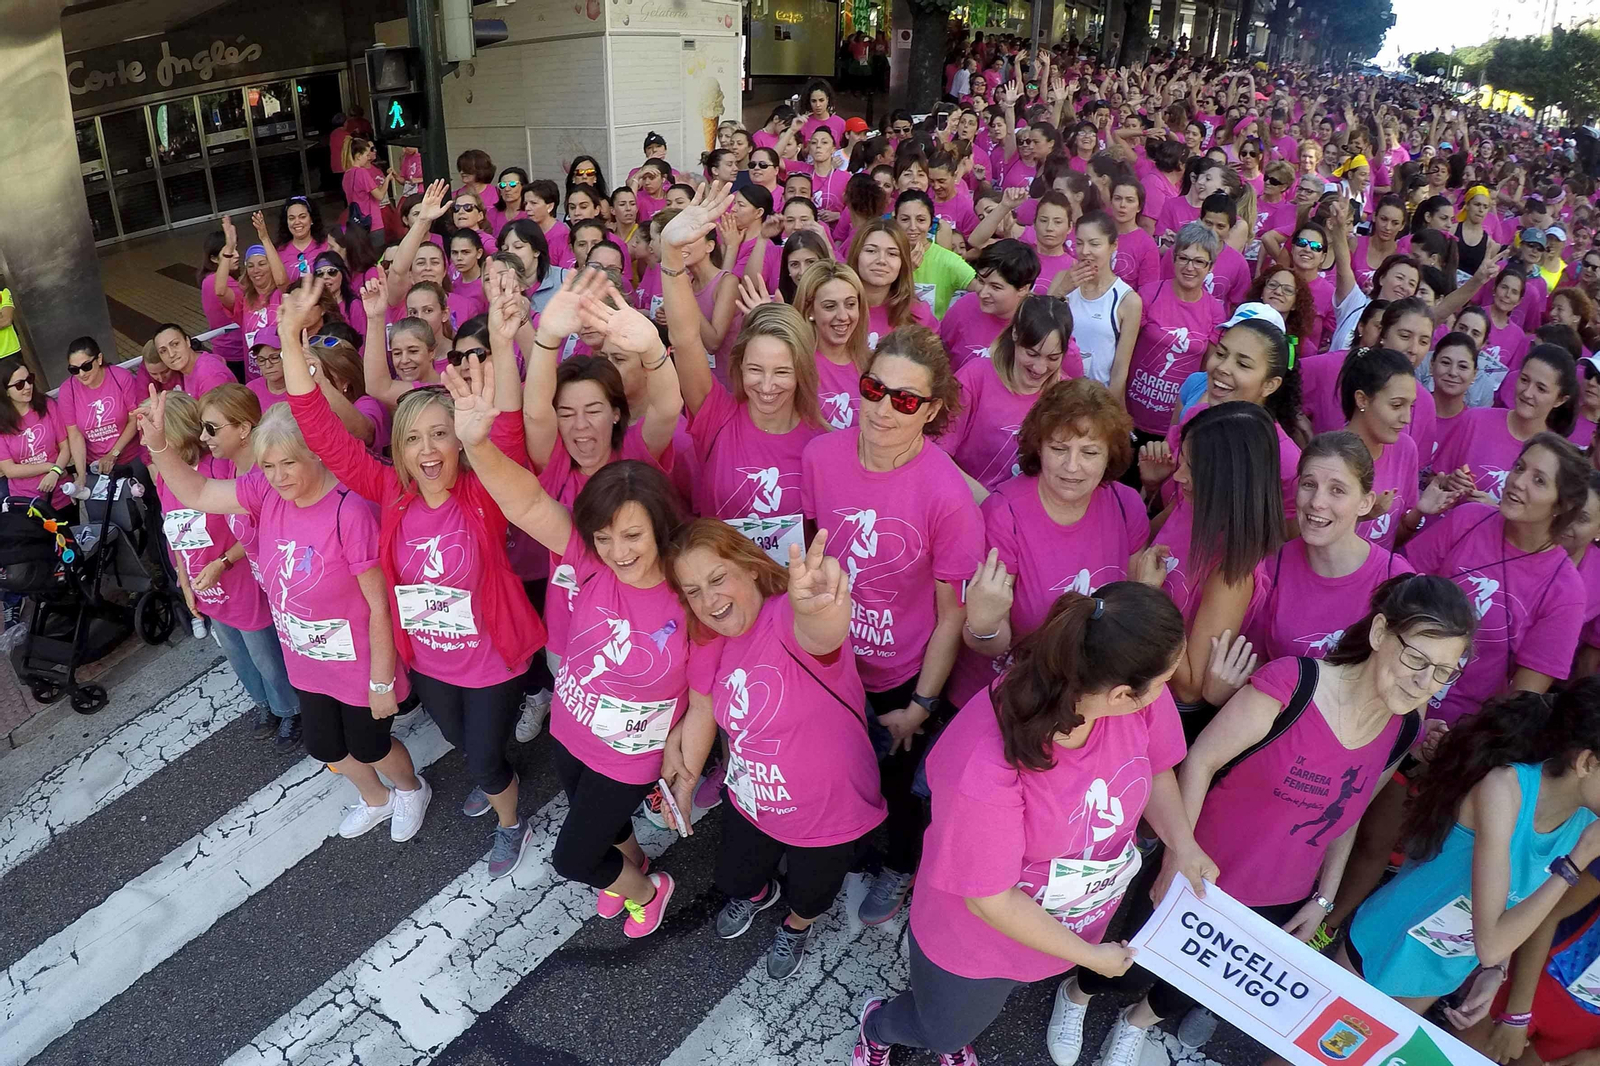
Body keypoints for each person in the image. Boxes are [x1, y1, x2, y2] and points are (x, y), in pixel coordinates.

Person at [851, 584, 1217, 1066]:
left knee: (971, 1015)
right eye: (1165, 678)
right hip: (978, 941)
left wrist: (1183, 844)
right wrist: (1091, 958)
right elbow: (991, 900)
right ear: (1120, 694)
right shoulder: (988, 763)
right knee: (943, 1029)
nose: (1167, 688)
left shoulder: (1133, 698)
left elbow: (1154, 766)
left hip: (1064, 923)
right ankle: (878, 1026)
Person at [276, 271, 547, 875]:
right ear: (397, 450)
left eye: (441, 435)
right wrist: (292, 344)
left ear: (461, 442)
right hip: (430, 662)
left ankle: (511, 819)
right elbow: (323, 436)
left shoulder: (484, 490)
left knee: (483, 759)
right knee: (461, 743)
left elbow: (506, 431)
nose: (427, 450)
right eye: (414, 439)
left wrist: (505, 342)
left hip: (492, 661)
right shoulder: (391, 494)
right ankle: (491, 775)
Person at [445, 289, 688, 937]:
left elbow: (668, 406)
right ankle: (629, 867)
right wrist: (480, 437)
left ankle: (645, 888)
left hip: (633, 724)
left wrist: (653, 348)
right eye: (567, 413)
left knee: (576, 853)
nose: (619, 547)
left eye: (594, 411)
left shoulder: (675, 566)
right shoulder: (585, 541)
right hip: (576, 689)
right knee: (588, 806)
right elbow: (525, 501)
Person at [135, 388, 431, 844]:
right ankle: (376, 799)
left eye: (288, 463)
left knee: (370, 744)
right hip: (306, 657)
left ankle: (411, 789)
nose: (278, 476)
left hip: (357, 661)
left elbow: (380, 604)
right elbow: (199, 491)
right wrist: (158, 445)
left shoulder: (350, 510)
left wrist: (380, 681)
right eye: (269, 465)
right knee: (325, 745)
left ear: (315, 453)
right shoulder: (265, 492)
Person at [801, 326, 985, 927]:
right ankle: (848, 847)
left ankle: (900, 864)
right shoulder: (819, 458)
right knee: (838, 770)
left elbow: (953, 614)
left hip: (901, 677)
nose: (883, 409)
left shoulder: (947, 495)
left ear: (931, 411)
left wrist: (921, 706)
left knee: (901, 787)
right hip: (832, 661)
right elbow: (811, 553)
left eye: (905, 400)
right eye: (874, 389)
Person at [664, 522, 884, 978]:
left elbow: (822, 634)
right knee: (736, 878)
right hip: (753, 800)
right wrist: (684, 783)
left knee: (811, 895)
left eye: (718, 578)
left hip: (827, 812)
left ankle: (796, 925)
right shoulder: (713, 638)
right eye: (694, 591)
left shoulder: (786, 616)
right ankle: (760, 895)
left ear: (749, 567)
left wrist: (819, 608)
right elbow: (704, 709)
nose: (709, 601)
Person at [1342, 682, 1600, 1010]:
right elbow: (1490, 945)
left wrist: (1497, 970)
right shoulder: (1504, 789)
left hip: (1440, 971)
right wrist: (1576, 862)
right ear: (1586, 762)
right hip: (1386, 946)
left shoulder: (1585, 820)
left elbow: (1513, 901)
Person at [951, 377, 1156, 706]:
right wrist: (984, 623)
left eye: (1089, 452)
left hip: (1084, 695)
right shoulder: (1004, 514)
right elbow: (992, 643)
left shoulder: (1127, 505)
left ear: (1110, 456)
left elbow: (1129, 615)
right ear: (1039, 448)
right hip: (1008, 695)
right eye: (1059, 449)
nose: (1072, 466)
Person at [660, 191, 825, 561]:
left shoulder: (823, 441)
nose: (766, 386)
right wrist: (671, 255)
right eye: (755, 370)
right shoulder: (716, 416)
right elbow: (686, 339)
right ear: (738, 366)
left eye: (781, 372)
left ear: (801, 370)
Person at [152, 387, 302, 750]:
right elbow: (173, 532)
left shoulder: (218, 468)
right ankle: (264, 704)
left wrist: (223, 562)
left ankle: (290, 708)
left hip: (238, 579)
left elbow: (248, 527)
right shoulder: (165, 478)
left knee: (264, 653)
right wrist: (183, 579)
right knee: (237, 654)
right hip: (206, 585)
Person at [938, 295, 1080, 495]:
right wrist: (987, 502)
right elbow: (937, 453)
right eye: (1031, 354)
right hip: (966, 500)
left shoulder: (1066, 397)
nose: (1040, 368)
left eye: (1053, 358)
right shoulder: (975, 377)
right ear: (1015, 334)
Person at [1433, 344, 1578, 501]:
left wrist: (1494, 510)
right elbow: (1433, 480)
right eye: (1524, 380)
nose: (1527, 393)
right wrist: (1448, 482)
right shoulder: (1474, 420)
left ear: (1560, 400)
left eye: (1541, 389)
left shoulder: (1555, 456)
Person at [1123, 223, 1226, 441]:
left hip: (1175, 424)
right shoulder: (1148, 294)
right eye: (1184, 258)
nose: (1190, 267)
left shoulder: (1215, 311)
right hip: (1131, 415)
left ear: (1210, 266)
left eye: (1199, 261)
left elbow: (1207, 372)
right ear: (1174, 258)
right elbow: (1122, 354)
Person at [1058, 211, 1140, 389]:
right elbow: (1040, 326)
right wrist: (1060, 292)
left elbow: (1120, 370)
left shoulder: (1128, 300)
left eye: (1094, 244)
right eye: (1079, 243)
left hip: (1096, 394)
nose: (1085, 251)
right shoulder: (1062, 280)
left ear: (1113, 245)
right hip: (1057, 390)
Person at [938, 239, 1041, 372]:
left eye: (995, 287)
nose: (983, 293)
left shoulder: (1039, 323)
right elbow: (939, 353)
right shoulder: (964, 306)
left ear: (1023, 289)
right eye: (981, 281)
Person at [796, 260, 872, 431]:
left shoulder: (873, 363)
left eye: (850, 304)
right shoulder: (796, 364)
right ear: (810, 310)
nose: (843, 316)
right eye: (830, 306)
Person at [60, 336, 139, 485]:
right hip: (95, 465)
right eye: (74, 370)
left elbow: (134, 419)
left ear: (99, 359)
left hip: (131, 456)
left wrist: (113, 454)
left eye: (86, 366)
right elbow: (74, 434)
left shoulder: (121, 377)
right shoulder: (67, 390)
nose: (81, 374)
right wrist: (81, 475)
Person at [848, 220, 938, 348]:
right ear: (856, 255)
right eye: (871, 251)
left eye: (892, 254)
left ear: (903, 263)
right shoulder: (836, 308)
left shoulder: (918, 313)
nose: (881, 260)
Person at [0, 354, 69, 511]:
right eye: (19, 384)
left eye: (29, 379)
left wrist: (55, 472)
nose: (27, 386)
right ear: (6, 392)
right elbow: (9, 470)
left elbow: (65, 446)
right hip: (27, 504)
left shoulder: (48, 405)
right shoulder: (2, 423)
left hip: (61, 495)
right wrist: (49, 467)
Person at [152, 323, 237, 400]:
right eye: (163, 351)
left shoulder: (210, 377)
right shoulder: (189, 368)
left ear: (187, 341)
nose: (171, 354)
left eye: (175, 344)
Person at [341, 138, 393, 243]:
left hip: (356, 222)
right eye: (366, 155)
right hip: (372, 222)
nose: (368, 158)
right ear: (358, 156)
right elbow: (379, 195)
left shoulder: (347, 174)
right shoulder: (362, 172)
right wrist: (387, 180)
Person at [277, 196, 328, 282]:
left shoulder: (327, 245)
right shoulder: (279, 252)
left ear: (311, 219)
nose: (297, 222)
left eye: (302, 217)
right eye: (291, 218)